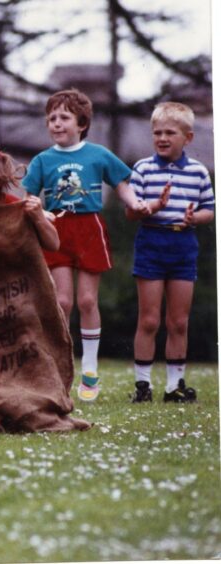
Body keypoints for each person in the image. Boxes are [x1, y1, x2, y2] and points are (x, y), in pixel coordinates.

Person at [21, 89, 151, 402]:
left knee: (88, 301)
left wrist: (136, 202)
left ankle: (90, 369)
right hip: (56, 230)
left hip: (90, 227)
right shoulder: (42, 160)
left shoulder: (98, 154)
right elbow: (27, 196)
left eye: (63, 117)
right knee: (62, 301)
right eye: (51, 118)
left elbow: (122, 183)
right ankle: (60, 367)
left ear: (82, 123)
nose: (56, 123)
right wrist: (40, 210)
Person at [126, 102, 214, 403]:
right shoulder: (143, 169)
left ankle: (174, 386)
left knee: (178, 321)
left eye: (170, 133)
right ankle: (143, 386)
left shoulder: (198, 172)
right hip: (152, 243)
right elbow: (131, 212)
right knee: (149, 319)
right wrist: (152, 207)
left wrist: (194, 219)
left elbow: (209, 210)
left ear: (187, 138)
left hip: (183, 246)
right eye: (157, 133)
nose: (162, 138)